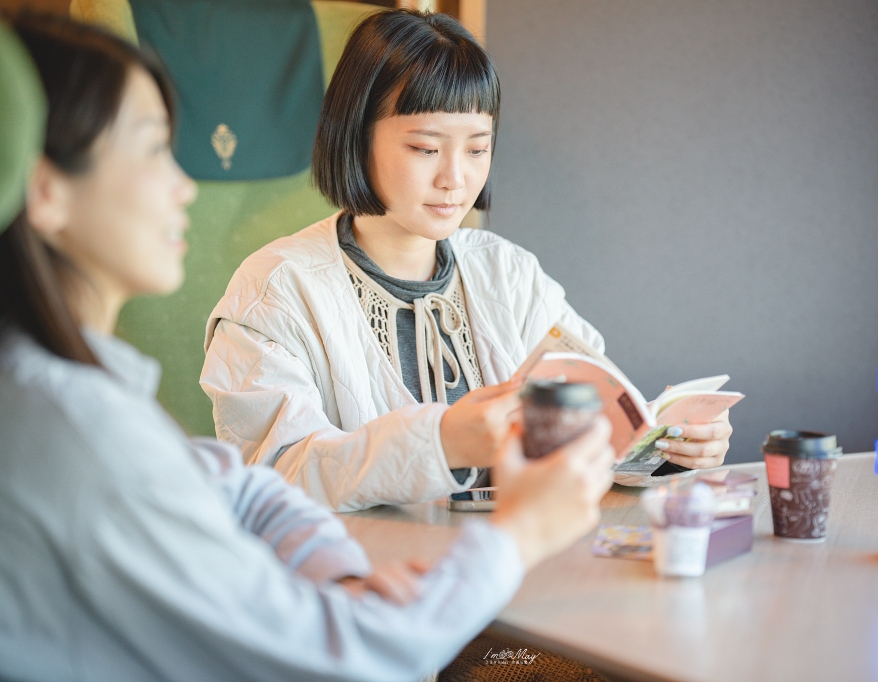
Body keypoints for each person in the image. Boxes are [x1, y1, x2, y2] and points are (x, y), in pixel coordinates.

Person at [0, 14, 614, 681]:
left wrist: (342, 576)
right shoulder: (84, 423)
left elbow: (236, 488)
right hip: (416, 616)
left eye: (477, 147)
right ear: (43, 188)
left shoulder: (507, 270)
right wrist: (503, 518)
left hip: (443, 598)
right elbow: (345, 650)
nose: (185, 186)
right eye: (154, 149)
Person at [201, 8, 734, 512]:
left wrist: (667, 450)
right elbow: (274, 474)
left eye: (477, 149)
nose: (455, 178)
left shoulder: (510, 274)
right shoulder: (276, 290)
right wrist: (441, 444)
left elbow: (603, 425)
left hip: (518, 565)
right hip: (368, 588)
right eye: (426, 148)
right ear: (355, 135)